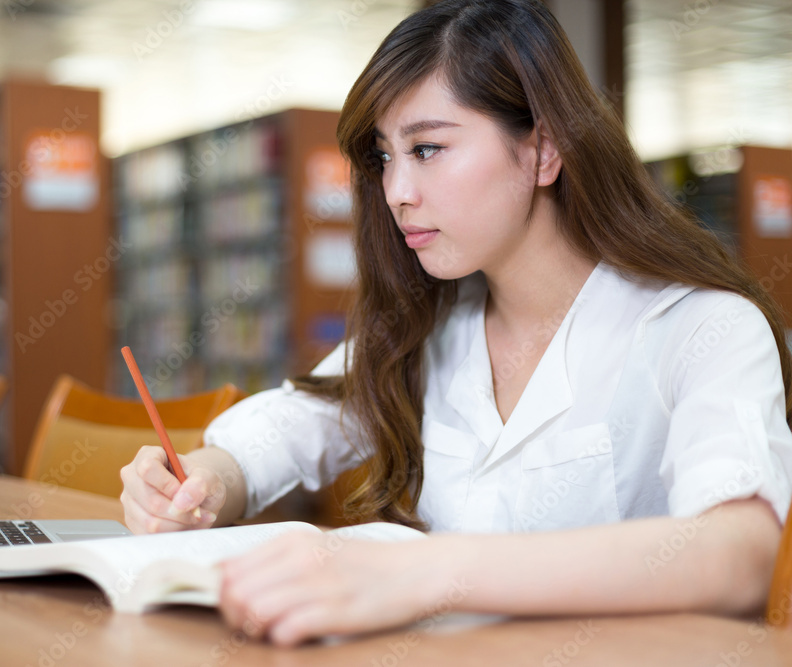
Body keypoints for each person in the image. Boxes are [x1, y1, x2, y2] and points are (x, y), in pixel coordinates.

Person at [119, 0, 792, 647]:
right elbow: (291, 427)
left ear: (542, 152)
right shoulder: (432, 323)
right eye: (385, 156)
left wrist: (429, 573)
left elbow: (735, 553)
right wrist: (203, 484)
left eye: (429, 149)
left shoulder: (703, 326)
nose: (396, 191)